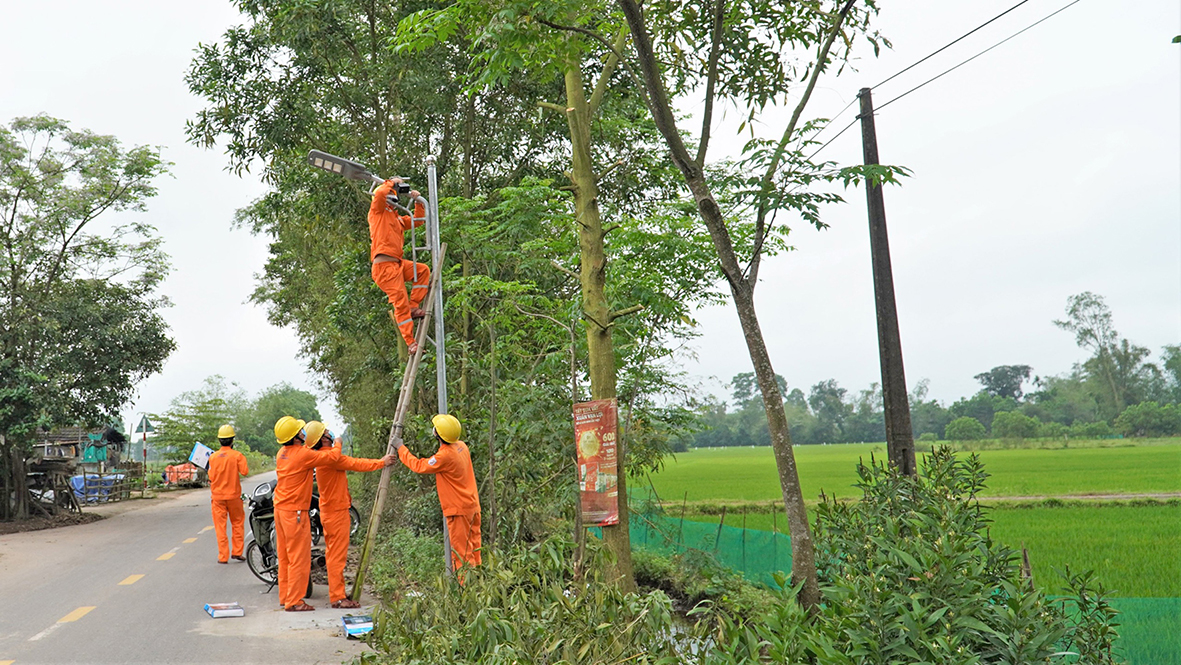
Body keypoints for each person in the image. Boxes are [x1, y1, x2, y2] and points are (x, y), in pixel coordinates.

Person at [305, 421, 395, 609]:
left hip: (331, 512)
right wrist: (382, 462)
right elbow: (357, 463)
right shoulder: (329, 457)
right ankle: (337, 597)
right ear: (323, 439)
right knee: (337, 557)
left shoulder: (324, 457)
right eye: (326, 432)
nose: (330, 433)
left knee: (333, 555)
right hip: (336, 513)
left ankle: (337, 593)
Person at [394, 414, 482, 571]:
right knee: (475, 551)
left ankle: (465, 591)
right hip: (472, 506)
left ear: (438, 434)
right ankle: (481, 588)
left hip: (458, 511)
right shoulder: (462, 446)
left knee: (462, 556)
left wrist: (401, 449)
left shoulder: (444, 456)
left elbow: (419, 466)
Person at [272, 416, 341, 612]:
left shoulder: (282, 453)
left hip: (280, 510)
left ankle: (285, 596)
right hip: (295, 512)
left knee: (285, 556)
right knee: (299, 558)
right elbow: (332, 458)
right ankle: (294, 601)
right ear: (295, 437)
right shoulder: (302, 455)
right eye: (301, 431)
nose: (304, 434)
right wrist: (338, 444)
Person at [368, 177, 428, 354]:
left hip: (397, 264)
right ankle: (410, 343)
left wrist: (418, 202)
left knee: (422, 271)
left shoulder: (397, 220)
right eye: (390, 199)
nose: (393, 204)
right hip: (384, 267)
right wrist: (391, 182)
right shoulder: (377, 212)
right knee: (399, 301)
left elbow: (418, 221)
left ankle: (413, 306)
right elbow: (379, 193)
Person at [207, 424, 249, 564]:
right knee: (237, 523)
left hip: (217, 497)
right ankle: (237, 552)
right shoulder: (237, 456)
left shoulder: (213, 457)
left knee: (220, 526)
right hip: (234, 496)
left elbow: (211, 477)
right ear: (232, 440)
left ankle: (223, 557)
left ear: (219, 440)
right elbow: (244, 472)